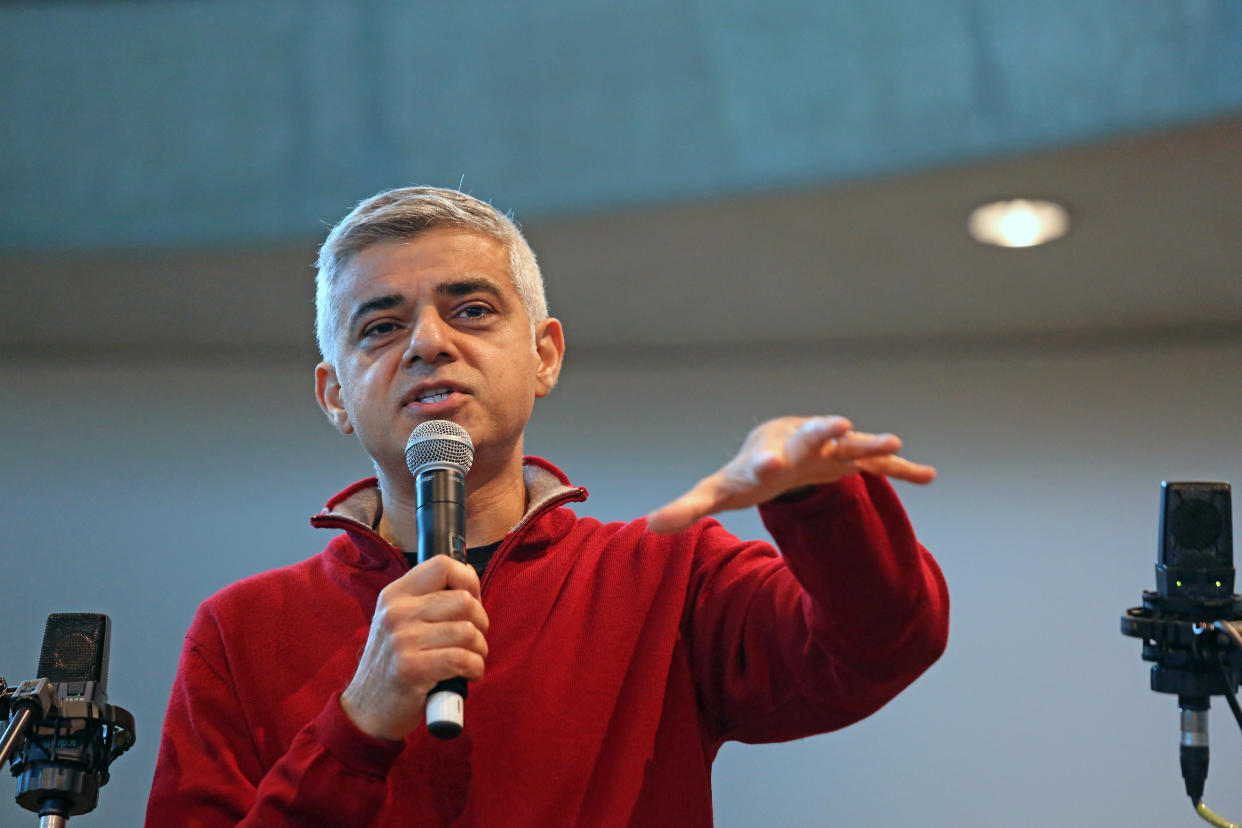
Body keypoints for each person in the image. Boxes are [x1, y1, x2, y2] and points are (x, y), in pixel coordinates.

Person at [145, 186, 949, 827]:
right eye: (381, 326)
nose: (427, 342)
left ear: (544, 356)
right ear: (335, 397)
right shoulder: (239, 631)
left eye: (471, 311)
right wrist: (356, 727)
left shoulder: (668, 576)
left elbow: (882, 646)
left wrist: (816, 500)